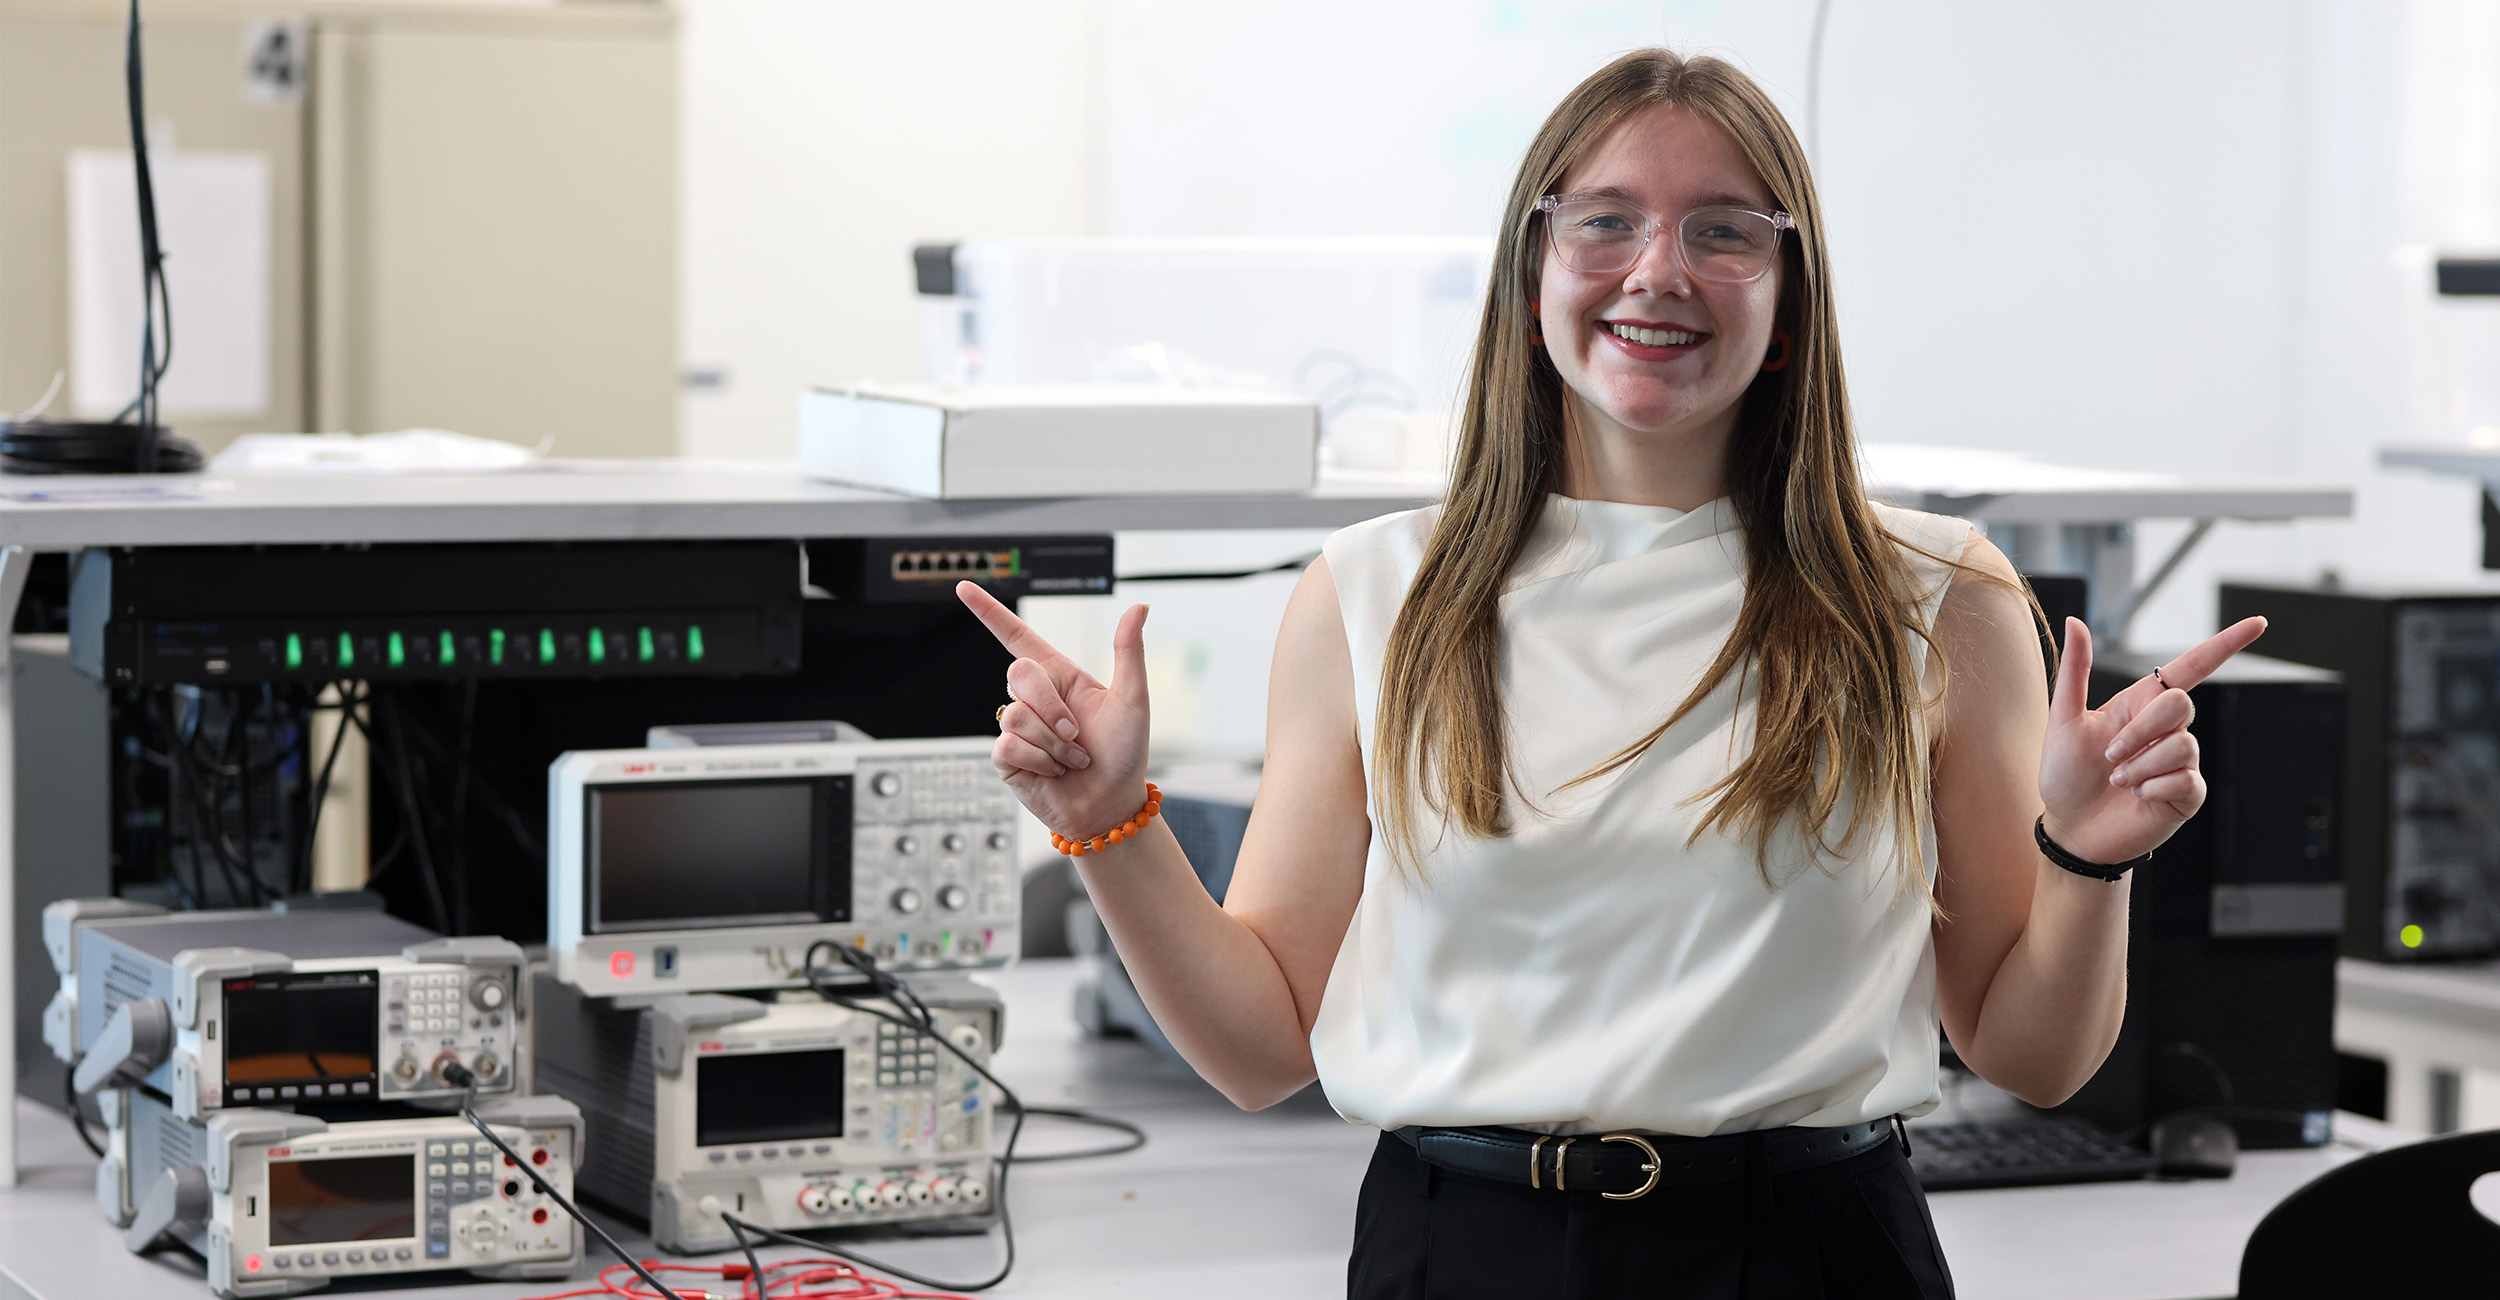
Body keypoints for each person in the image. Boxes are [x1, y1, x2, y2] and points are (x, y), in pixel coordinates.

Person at [957, 47, 2265, 1300]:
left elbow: (2033, 1058)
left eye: (1724, 231)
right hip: (1459, 1252)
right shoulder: (1372, 593)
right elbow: (1257, 1051)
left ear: (1790, 307)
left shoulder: (1939, 595)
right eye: (1605, 223)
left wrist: (2087, 857)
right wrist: (1104, 826)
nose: (1658, 271)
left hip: (1811, 1252)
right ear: (1533, 281)